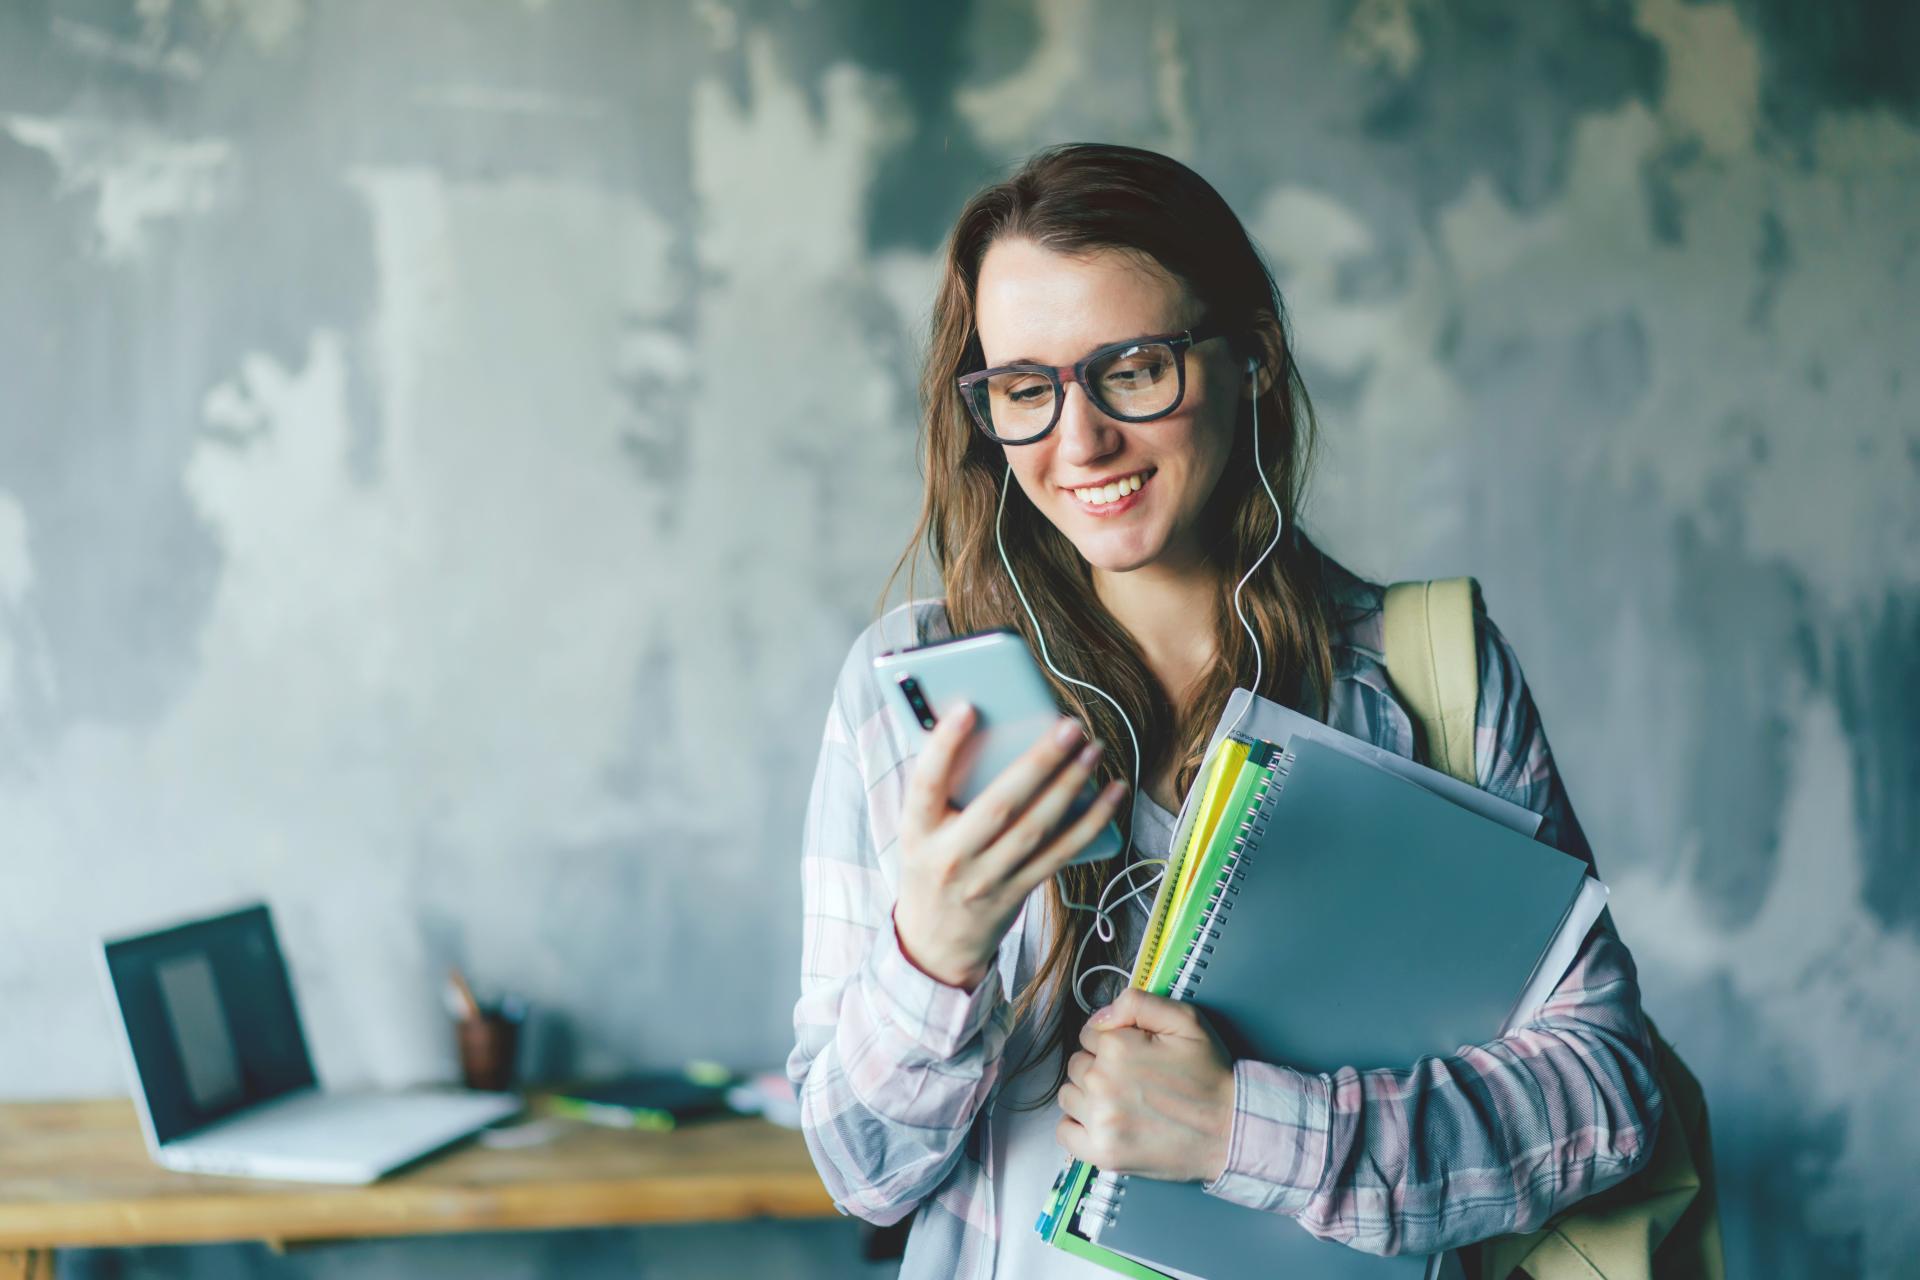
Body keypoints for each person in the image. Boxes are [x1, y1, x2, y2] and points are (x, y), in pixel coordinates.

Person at [787, 143, 1662, 1278]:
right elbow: (862, 1172)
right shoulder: (911, 688)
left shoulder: (1418, 671)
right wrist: (935, 953)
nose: (1079, 438)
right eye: (1024, 388)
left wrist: (1240, 1129)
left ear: (1250, 353)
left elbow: (1607, 1091)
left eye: (1135, 367)